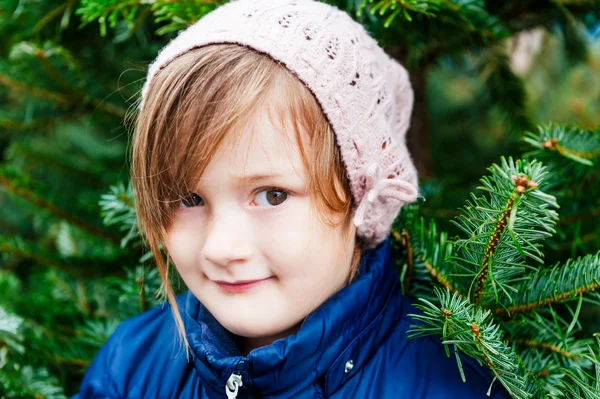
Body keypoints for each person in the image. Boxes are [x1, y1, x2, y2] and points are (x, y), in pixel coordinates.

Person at [73, 0, 511, 398]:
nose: (221, 248)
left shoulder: (443, 385)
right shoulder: (129, 368)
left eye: (272, 194)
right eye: (188, 198)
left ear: (361, 197)